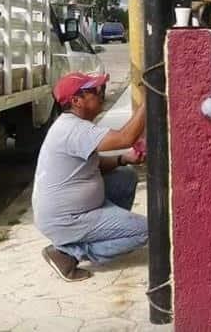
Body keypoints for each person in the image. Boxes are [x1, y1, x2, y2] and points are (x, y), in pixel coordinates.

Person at [32, 72, 148, 282]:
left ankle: (105, 232)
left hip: (72, 211)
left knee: (126, 177)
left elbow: (93, 164)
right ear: (76, 101)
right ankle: (69, 253)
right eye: (96, 91)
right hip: (68, 219)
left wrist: (124, 159)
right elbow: (125, 137)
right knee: (147, 231)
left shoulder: (72, 125)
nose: (102, 95)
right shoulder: (73, 129)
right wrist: (151, 98)